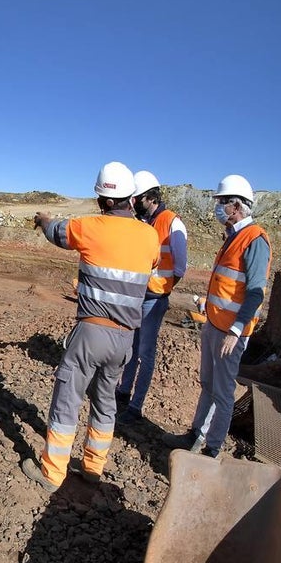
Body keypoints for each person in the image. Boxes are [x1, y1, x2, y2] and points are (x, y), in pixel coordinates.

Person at [21, 162, 160, 492]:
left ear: (108, 202)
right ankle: (93, 468)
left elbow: (56, 232)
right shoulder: (150, 235)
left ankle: (53, 473)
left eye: (99, 199)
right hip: (125, 339)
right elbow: (151, 264)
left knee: (67, 398)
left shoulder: (90, 226)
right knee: (105, 402)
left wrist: (42, 220)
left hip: (91, 333)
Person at [163, 175, 272, 457]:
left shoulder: (254, 240)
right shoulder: (233, 237)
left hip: (231, 334)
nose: (217, 208)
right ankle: (194, 437)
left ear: (236, 206)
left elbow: (256, 292)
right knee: (208, 385)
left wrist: (236, 331)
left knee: (223, 394)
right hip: (214, 324)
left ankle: (211, 450)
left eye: (221, 203)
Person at [115, 171, 189, 425]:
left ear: (150, 197)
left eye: (137, 199)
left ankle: (135, 407)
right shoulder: (145, 222)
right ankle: (123, 392)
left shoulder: (172, 223)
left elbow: (179, 268)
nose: (134, 203)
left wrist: (163, 289)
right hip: (138, 295)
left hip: (154, 298)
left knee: (146, 352)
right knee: (131, 347)